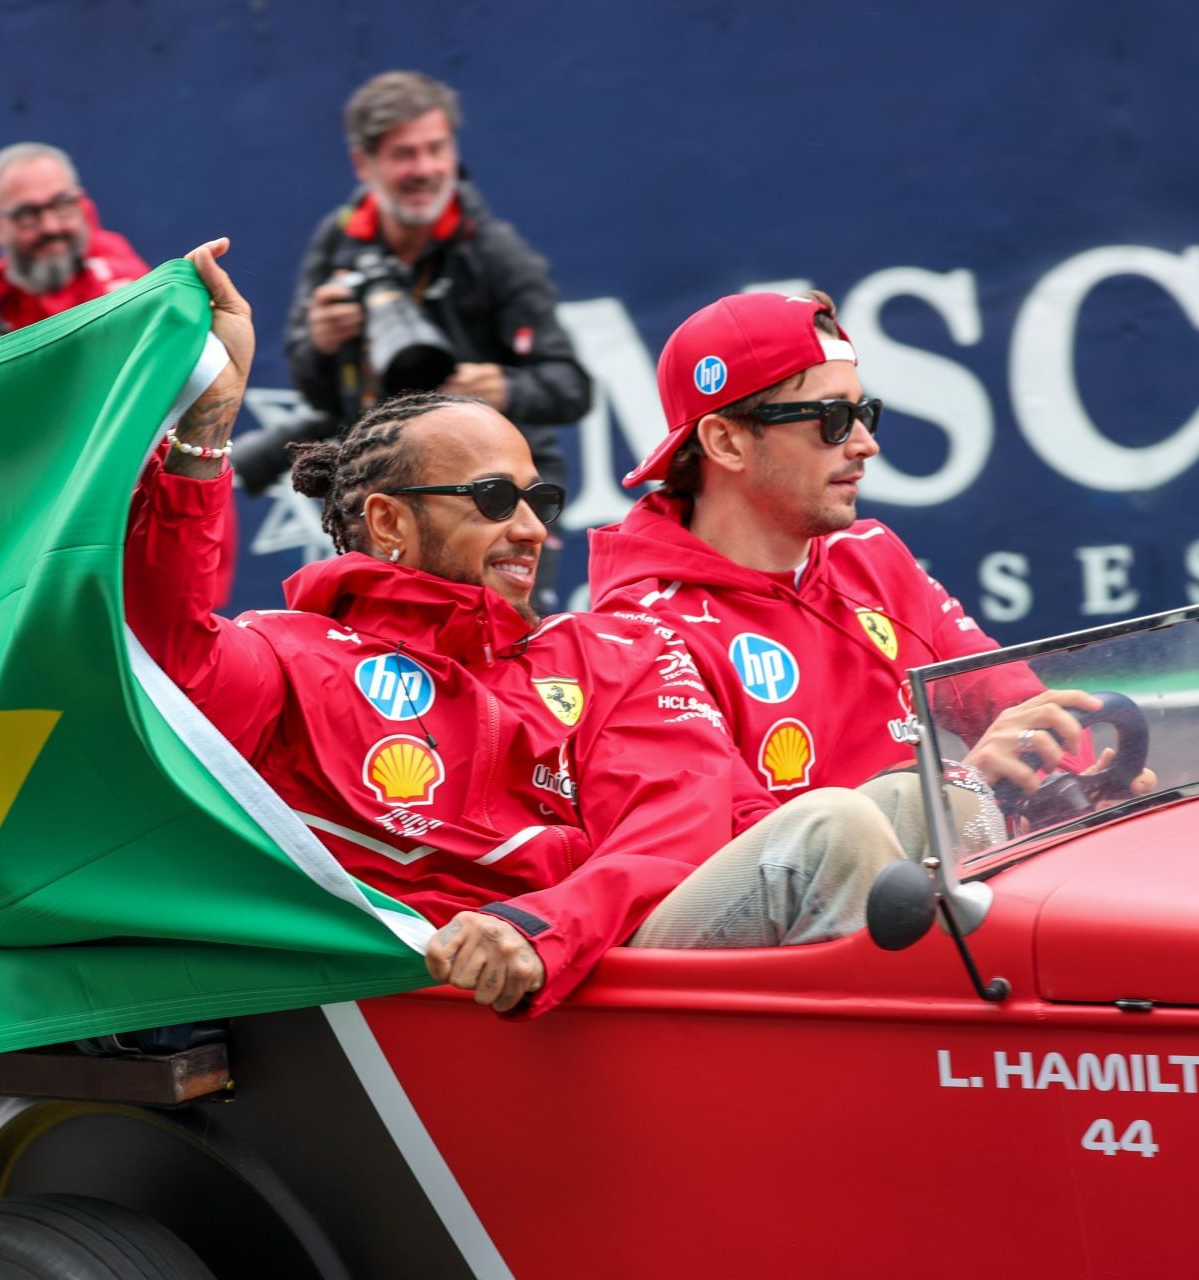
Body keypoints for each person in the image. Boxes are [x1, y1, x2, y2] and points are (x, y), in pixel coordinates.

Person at [137, 243, 915, 1014]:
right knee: (839, 830)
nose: (531, 530)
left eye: (535, 501)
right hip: (440, 1022)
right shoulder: (287, 654)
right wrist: (204, 433)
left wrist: (543, 926)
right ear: (388, 522)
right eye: (490, 499)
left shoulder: (612, 652)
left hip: (601, 967)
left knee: (913, 804)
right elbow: (167, 663)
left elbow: (683, 817)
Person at [587, 292, 1152, 889]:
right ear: (726, 443)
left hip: (938, 918)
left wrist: (1085, 784)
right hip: (807, 964)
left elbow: (1011, 700)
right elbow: (745, 873)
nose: (864, 443)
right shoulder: (640, 628)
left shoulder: (874, 554)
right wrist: (958, 796)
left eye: (864, 413)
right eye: (830, 420)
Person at [276, 71, 591, 610]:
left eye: (436, 149)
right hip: (394, 486)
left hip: (499, 492)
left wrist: (503, 388)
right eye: (404, 154)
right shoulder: (339, 240)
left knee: (501, 632)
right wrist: (321, 345)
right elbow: (315, 388)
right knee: (380, 638)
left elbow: (570, 387)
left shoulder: (493, 252)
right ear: (364, 164)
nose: (424, 169)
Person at [0, 142, 149, 350]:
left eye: (61, 205)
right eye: (26, 215)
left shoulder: (117, 281)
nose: (50, 227)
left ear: (81, 206)